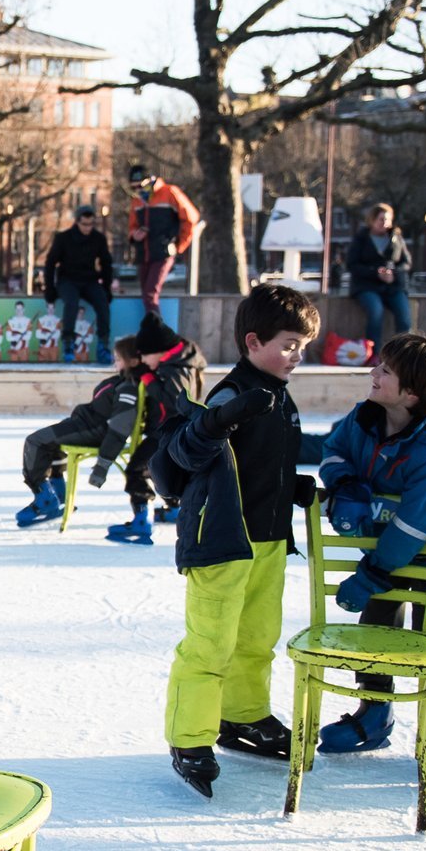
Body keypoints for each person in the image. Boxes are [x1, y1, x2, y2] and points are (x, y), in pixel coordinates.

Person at [149, 284, 323, 797]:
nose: (298, 356)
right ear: (253, 341)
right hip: (222, 541)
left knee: (255, 639)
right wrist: (219, 419)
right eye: (290, 344)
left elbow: (253, 465)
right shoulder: (232, 394)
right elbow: (184, 453)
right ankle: (189, 739)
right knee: (210, 644)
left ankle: (243, 717)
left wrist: (289, 486)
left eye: (303, 346)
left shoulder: (279, 395)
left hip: (267, 539)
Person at [315, 332, 426, 769]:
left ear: (413, 392)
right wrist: (346, 485)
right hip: (379, 554)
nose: (373, 372)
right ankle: (375, 711)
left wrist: (372, 574)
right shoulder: (362, 420)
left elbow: (416, 524)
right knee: (373, 638)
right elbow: (332, 451)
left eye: (385, 370)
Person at [102, 313, 208, 545]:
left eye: (144, 355)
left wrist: (148, 378)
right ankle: (175, 509)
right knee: (165, 471)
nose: (142, 360)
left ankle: (141, 521)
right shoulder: (179, 359)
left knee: (138, 470)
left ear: (159, 351)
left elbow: (175, 402)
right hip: (175, 430)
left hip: (171, 431)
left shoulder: (177, 369)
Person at [15, 335, 141, 527]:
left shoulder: (128, 388)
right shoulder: (124, 381)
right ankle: (59, 493)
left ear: (133, 361)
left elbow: (119, 429)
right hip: (86, 424)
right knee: (49, 442)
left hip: (93, 430)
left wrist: (102, 465)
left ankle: (44, 499)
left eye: (118, 360)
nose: (114, 364)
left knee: (36, 441)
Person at [126, 164, 201, 316]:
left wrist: (179, 245)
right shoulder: (137, 201)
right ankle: (153, 327)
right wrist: (134, 235)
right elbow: (132, 226)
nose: (138, 191)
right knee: (145, 294)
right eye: (134, 188)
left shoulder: (169, 193)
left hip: (163, 252)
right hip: (144, 254)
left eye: (140, 186)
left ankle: (157, 332)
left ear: (150, 181)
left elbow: (191, 218)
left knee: (150, 293)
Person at [45, 205, 115, 364]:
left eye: (91, 224)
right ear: (77, 222)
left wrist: (106, 288)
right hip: (67, 280)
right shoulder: (63, 238)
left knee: (103, 303)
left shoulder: (98, 238)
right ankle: (69, 343)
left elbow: (106, 263)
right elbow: (50, 263)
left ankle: (103, 345)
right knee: (71, 303)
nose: (88, 228)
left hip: (89, 279)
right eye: (84, 224)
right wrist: (49, 288)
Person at [347, 202, 413, 347]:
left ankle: (403, 352)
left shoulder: (396, 238)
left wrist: (393, 273)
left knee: (404, 317)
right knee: (376, 312)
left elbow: (406, 262)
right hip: (367, 285)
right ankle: (374, 352)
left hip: (393, 286)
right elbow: (352, 264)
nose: (385, 223)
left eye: (388, 220)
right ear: (372, 220)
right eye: (381, 219)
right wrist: (375, 273)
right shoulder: (361, 238)